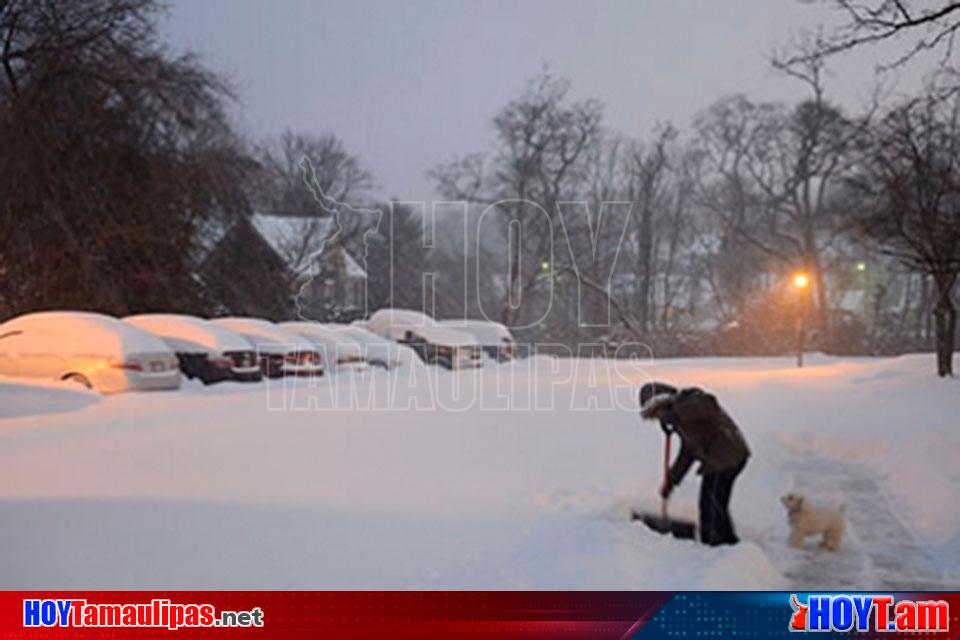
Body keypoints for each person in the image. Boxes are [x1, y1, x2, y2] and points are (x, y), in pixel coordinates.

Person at [639, 382, 750, 546]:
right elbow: (687, 453)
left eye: (658, 413)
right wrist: (671, 481)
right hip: (722, 458)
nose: (659, 418)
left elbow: (709, 404)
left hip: (727, 455)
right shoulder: (683, 422)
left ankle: (716, 543)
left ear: (664, 403)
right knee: (714, 503)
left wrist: (676, 414)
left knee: (711, 503)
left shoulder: (689, 401)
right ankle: (724, 542)